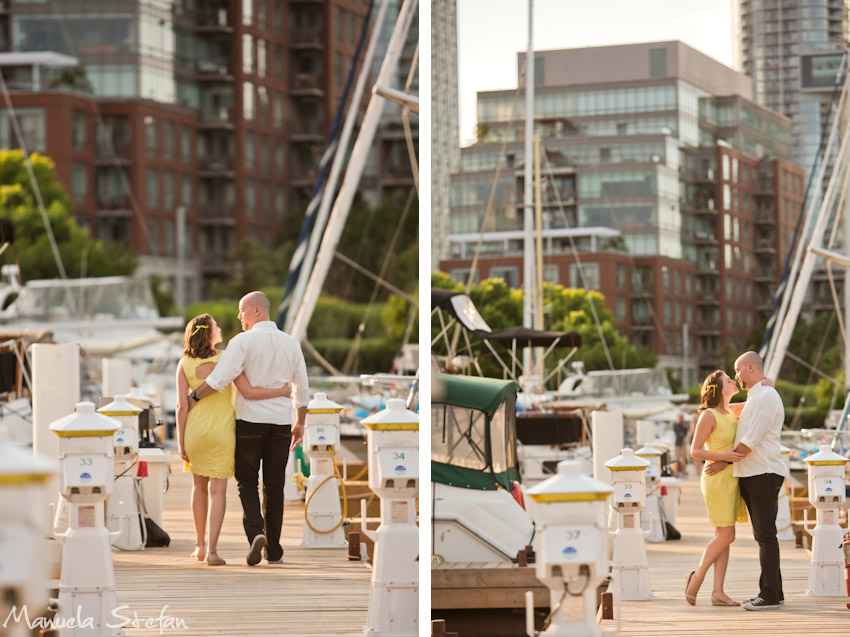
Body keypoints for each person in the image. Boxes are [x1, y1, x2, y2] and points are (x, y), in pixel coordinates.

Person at [187, 291, 309, 566]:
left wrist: (193, 397)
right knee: (275, 486)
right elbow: (302, 387)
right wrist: (300, 422)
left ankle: (255, 531)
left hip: (249, 423)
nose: (239, 316)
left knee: (247, 481)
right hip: (280, 423)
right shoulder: (291, 344)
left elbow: (219, 379)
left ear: (256, 310)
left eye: (242, 311)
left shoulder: (242, 342)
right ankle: (274, 549)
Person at [727, 351, 786, 611]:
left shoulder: (766, 397)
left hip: (763, 473)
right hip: (753, 473)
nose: (736, 376)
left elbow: (751, 440)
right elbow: (727, 411)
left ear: (750, 367)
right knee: (763, 535)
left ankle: (770, 595)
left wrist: (721, 461)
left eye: (738, 371)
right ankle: (775, 591)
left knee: (766, 536)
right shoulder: (756, 395)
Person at [684, 369, 747, 606]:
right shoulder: (708, 415)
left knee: (723, 537)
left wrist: (767, 382)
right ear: (721, 389)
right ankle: (696, 580)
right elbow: (695, 450)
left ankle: (718, 592)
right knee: (726, 535)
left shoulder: (731, 410)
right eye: (729, 380)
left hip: (729, 476)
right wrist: (723, 456)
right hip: (716, 479)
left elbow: (755, 399)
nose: (733, 381)